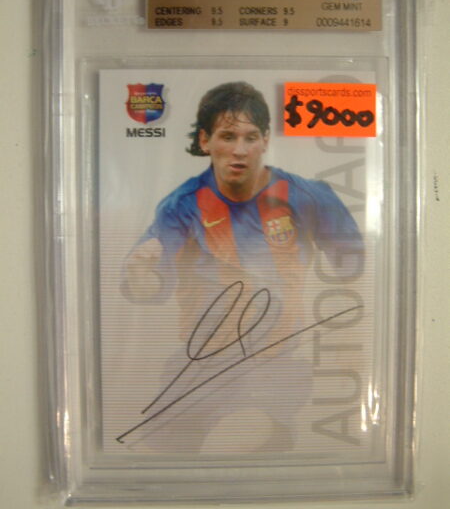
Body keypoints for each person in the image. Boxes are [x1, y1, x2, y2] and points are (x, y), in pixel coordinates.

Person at [120, 81, 364, 452]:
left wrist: (343, 333)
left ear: (265, 140)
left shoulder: (307, 196)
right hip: (197, 365)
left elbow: (354, 267)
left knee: (233, 442)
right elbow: (150, 288)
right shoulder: (181, 206)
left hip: (272, 365)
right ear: (205, 141)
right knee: (159, 456)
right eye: (227, 136)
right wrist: (140, 272)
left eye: (250, 137)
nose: (239, 150)